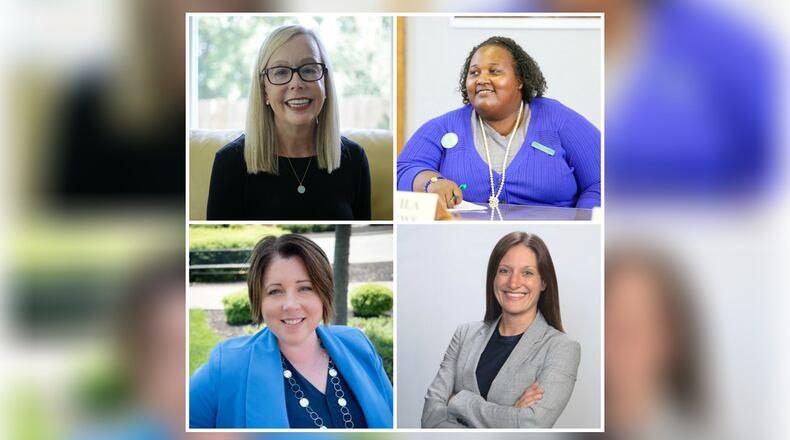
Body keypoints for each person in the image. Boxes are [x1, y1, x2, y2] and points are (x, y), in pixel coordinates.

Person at [190, 234, 392, 428]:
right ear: (259, 299)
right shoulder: (227, 366)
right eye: (275, 291)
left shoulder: (358, 344)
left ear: (324, 293)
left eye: (304, 288)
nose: (290, 305)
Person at [397, 36, 600, 210]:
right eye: (474, 73)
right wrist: (431, 183)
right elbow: (404, 170)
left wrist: (584, 220)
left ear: (520, 80)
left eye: (494, 71)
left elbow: (604, 180)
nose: (481, 79)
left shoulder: (559, 120)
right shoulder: (443, 127)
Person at [206, 25, 371, 220]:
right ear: (264, 89)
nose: (296, 83)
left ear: (325, 84)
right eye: (281, 72)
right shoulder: (230, 162)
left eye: (309, 69)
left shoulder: (354, 159)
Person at [422, 232, 580, 428]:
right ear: (493, 277)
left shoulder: (561, 348)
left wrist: (459, 401)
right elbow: (430, 417)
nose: (513, 283)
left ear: (544, 282)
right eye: (504, 271)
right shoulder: (464, 334)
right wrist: (511, 414)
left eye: (527, 273)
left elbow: (531, 424)